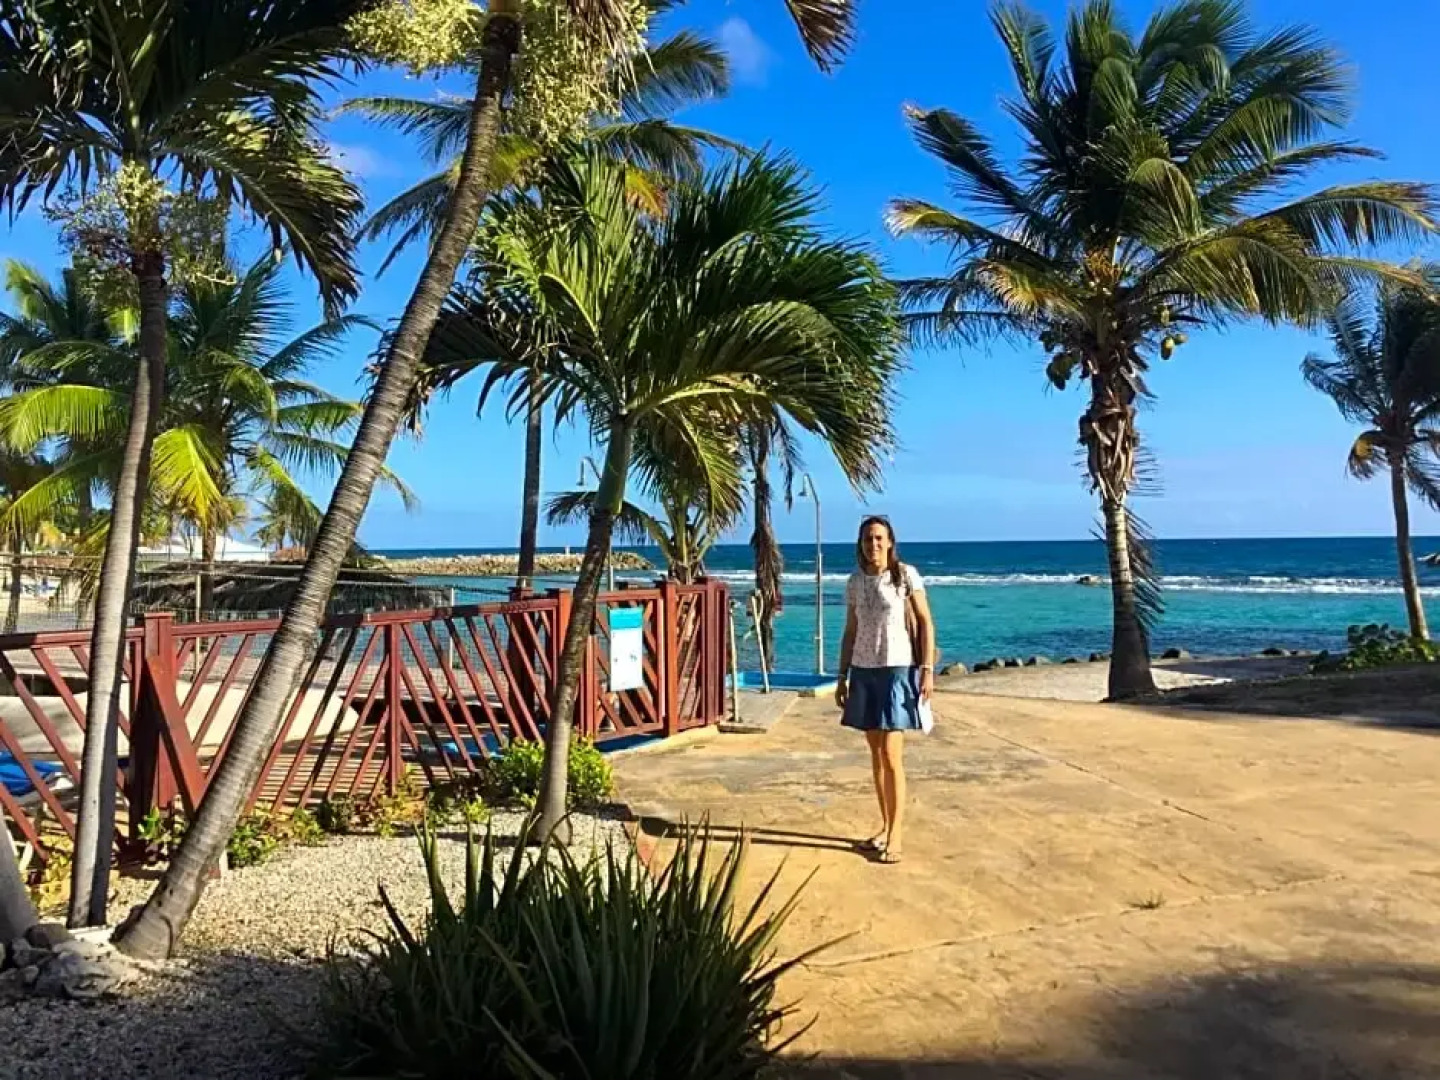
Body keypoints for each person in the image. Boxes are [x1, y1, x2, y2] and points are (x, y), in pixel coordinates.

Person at [835, 515, 935, 865]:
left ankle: (897, 834)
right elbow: (850, 631)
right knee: (875, 753)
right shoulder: (854, 582)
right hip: (864, 671)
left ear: (890, 542)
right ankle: (883, 825)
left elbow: (925, 621)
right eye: (867, 539)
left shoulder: (905, 576)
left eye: (879, 538)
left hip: (897, 670)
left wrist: (926, 670)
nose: (873, 544)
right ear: (860, 544)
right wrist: (841, 676)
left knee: (892, 755)